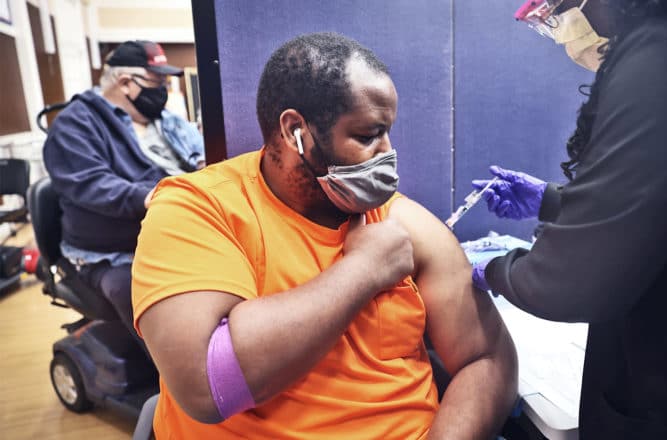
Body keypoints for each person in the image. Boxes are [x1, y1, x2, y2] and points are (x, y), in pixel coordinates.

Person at [131, 33, 518, 439]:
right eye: (368, 136)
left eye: (387, 132)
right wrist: (364, 270)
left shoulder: (404, 224)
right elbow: (207, 386)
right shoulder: (198, 210)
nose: (387, 153)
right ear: (296, 131)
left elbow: (488, 358)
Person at [471, 0, 667, 438]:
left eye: (558, 9)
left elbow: (573, 282)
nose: (563, 25)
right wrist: (551, 202)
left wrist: (492, 269)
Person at [43, 40, 205, 354]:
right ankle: (177, 377)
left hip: (176, 232)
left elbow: (200, 155)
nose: (163, 90)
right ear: (126, 83)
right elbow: (92, 184)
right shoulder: (74, 124)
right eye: (156, 83)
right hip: (111, 253)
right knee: (139, 293)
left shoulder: (165, 119)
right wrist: (157, 196)